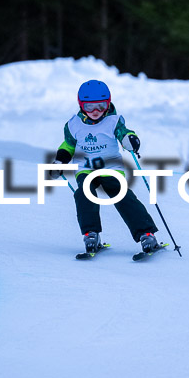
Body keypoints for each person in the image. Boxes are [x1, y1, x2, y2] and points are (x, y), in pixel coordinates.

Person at [49, 79, 160, 254]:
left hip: (110, 167)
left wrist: (130, 139)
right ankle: (91, 233)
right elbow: (68, 145)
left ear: (108, 103)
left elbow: (124, 133)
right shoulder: (73, 125)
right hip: (85, 167)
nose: (95, 111)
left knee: (120, 192)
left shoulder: (113, 121)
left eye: (101, 106)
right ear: (81, 105)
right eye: (89, 106)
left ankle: (146, 234)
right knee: (84, 193)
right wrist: (60, 161)